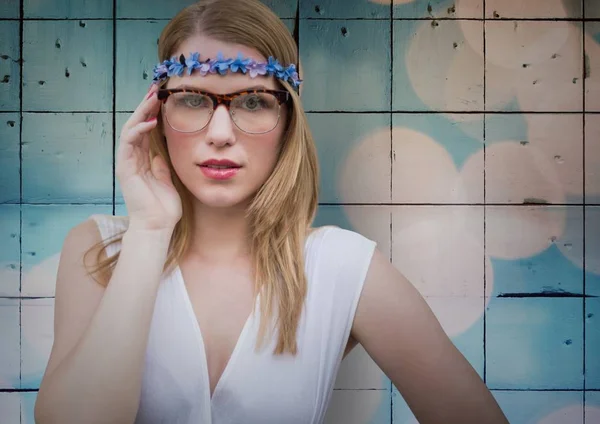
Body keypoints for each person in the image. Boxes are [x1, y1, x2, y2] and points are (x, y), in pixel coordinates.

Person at [33, 0, 509, 423]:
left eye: (255, 102)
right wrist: (150, 231)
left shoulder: (343, 268)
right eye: (193, 99)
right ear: (157, 115)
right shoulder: (100, 250)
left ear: (287, 122)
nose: (220, 132)